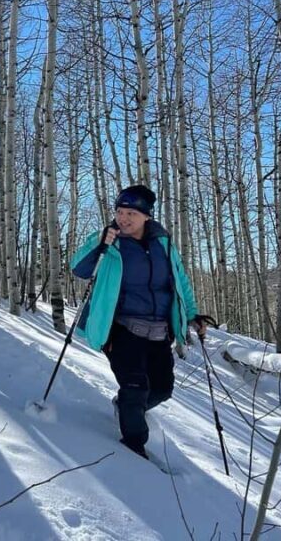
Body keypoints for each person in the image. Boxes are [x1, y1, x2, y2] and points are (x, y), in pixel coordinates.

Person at [69, 184, 207, 459]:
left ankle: (126, 407)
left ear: (147, 216)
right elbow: (79, 268)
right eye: (120, 211)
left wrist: (192, 314)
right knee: (135, 386)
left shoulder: (163, 243)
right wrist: (100, 244)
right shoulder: (109, 240)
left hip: (159, 331)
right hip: (121, 330)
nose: (123, 218)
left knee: (161, 389)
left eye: (131, 213)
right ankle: (134, 450)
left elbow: (180, 281)